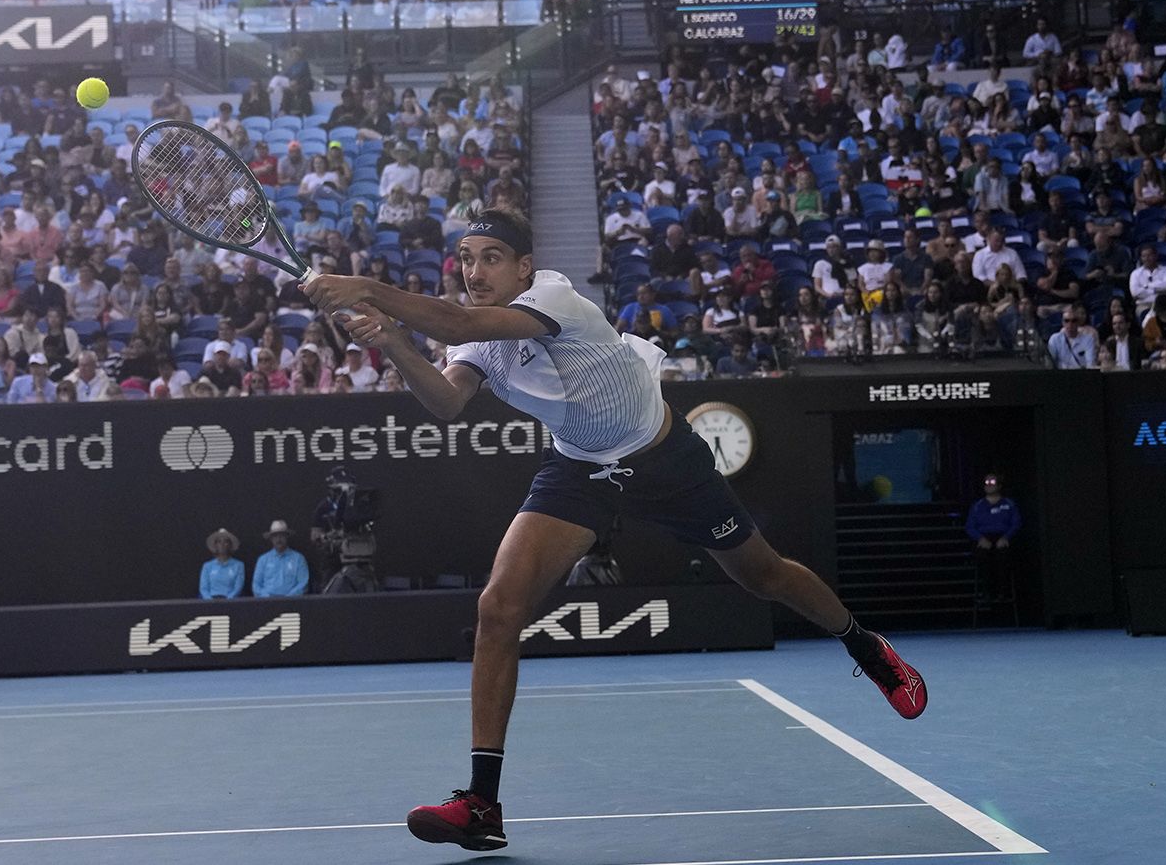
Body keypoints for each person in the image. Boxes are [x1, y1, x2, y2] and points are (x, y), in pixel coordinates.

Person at [304, 207, 927, 852]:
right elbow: (446, 399)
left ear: (524, 265)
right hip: (579, 468)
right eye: (466, 258)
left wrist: (368, 287)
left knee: (761, 575)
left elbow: (456, 319)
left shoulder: (554, 297)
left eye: (491, 257)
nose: (475, 269)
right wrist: (395, 341)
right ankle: (482, 804)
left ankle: (864, 647)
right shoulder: (476, 340)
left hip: (664, 459)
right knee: (498, 608)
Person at [964, 474, 1022, 603]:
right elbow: (970, 526)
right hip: (984, 538)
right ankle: (987, 592)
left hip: (1003, 538)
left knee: (1004, 556)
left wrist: (1006, 537)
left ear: (999, 485)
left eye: (992, 482)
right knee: (982, 556)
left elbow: (1016, 523)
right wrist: (980, 539)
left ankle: (1003, 591)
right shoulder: (977, 505)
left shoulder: (1009, 504)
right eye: (986, 482)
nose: (989, 484)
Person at [252, 520, 311, 597]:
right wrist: (267, 597)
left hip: (292, 603)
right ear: (271, 539)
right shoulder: (263, 560)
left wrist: (288, 599)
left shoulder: (298, 558)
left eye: (282, 535)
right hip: (267, 603)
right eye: (275, 536)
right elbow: (256, 585)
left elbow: (303, 583)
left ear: (287, 537)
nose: (278, 539)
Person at [198, 528, 245, 599]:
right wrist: (210, 601)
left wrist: (226, 601)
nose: (222, 544)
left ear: (230, 545)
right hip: (210, 602)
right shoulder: (207, 566)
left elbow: (238, 588)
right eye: (219, 542)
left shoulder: (238, 565)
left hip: (230, 602)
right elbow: (203, 588)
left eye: (226, 542)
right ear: (215, 545)